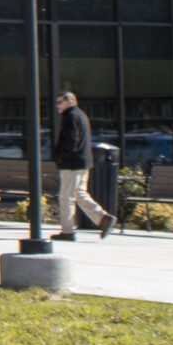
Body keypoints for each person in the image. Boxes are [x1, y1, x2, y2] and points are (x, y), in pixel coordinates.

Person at [53, 90, 111, 240]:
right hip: (83, 161)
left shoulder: (70, 116)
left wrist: (60, 157)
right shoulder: (81, 115)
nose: (57, 106)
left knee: (66, 197)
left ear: (70, 101)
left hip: (72, 163)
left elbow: (71, 141)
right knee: (79, 193)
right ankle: (102, 218)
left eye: (60, 102)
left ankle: (67, 231)